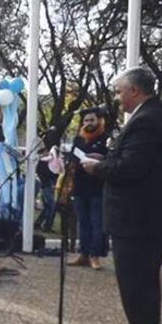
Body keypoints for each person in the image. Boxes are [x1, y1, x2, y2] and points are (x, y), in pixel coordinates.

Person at [80, 67, 162, 324]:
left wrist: (96, 169)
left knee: (137, 287)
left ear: (134, 91)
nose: (116, 98)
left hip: (140, 220)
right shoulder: (151, 116)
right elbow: (132, 162)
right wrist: (106, 161)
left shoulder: (147, 121)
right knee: (143, 285)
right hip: (145, 219)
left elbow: (131, 169)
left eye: (118, 91)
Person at [69, 107, 110, 270]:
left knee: (96, 222)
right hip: (80, 185)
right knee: (83, 222)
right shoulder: (79, 139)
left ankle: (95, 255)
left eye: (92, 120)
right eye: (86, 120)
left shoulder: (106, 138)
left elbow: (111, 159)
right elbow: (72, 157)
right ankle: (83, 254)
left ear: (99, 121)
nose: (89, 123)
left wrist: (99, 158)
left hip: (97, 186)